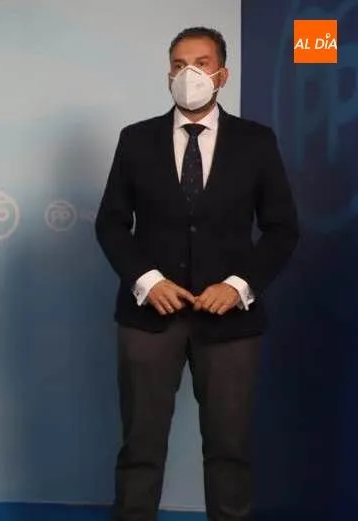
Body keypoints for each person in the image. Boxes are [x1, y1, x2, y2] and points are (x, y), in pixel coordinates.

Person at [95, 27, 299, 521]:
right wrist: (147, 280)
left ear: (222, 74)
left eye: (202, 63)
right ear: (169, 74)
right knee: (141, 447)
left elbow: (281, 228)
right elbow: (112, 223)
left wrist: (237, 287)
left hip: (230, 323)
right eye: (180, 64)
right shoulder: (136, 139)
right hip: (149, 319)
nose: (190, 74)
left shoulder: (256, 142)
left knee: (229, 450)